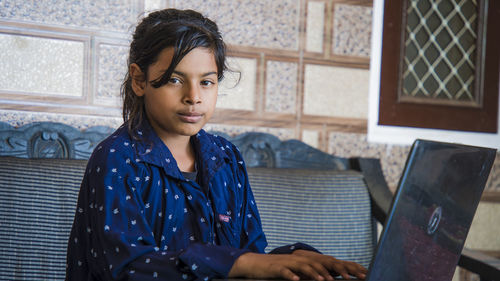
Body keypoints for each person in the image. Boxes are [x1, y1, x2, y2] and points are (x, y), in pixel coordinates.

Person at [65, 8, 367, 281]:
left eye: (206, 82)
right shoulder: (117, 159)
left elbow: (248, 256)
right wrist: (240, 264)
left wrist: (290, 260)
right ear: (139, 80)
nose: (193, 96)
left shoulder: (225, 157)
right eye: (174, 80)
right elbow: (127, 270)